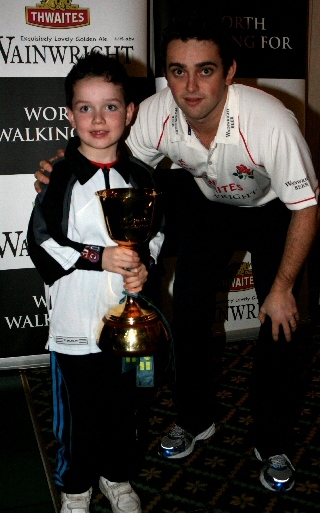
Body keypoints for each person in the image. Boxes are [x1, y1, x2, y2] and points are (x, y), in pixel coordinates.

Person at [34, 15, 319, 493]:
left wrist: (284, 287)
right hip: (206, 203)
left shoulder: (270, 121)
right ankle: (194, 419)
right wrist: (61, 169)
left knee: (279, 320)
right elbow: (111, 158)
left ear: (229, 72)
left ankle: (272, 442)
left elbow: (306, 209)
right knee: (186, 309)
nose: (189, 86)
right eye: (177, 71)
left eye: (205, 70)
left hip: (274, 211)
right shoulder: (154, 113)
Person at [28, 50, 164, 513]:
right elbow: (42, 241)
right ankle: (77, 485)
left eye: (110, 106)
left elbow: (156, 235)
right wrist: (97, 257)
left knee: (127, 406)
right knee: (77, 414)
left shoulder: (142, 177)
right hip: (76, 324)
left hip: (127, 324)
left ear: (129, 112)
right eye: (86, 107)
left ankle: (117, 476)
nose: (98, 118)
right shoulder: (60, 176)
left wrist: (143, 265)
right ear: (70, 115)